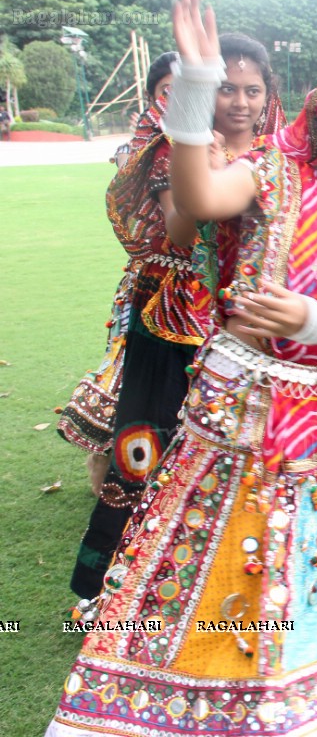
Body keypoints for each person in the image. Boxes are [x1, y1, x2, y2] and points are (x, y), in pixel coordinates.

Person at [48, 0, 317, 736]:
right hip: (235, 419)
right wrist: (193, 84)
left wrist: (315, 320)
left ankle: (289, 700)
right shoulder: (271, 178)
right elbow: (192, 194)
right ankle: (170, 697)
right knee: (206, 560)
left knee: (304, 568)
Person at [66, 36, 286, 601]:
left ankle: (226, 582)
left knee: (243, 450)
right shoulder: (176, 150)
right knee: (144, 445)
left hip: (249, 323)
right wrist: (209, 172)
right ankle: (104, 587)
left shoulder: (279, 155)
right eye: (227, 89)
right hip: (173, 316)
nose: (240, 101)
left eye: (252, 90)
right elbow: (184, 233)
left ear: (268, 94)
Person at [61, 52, 178, 492]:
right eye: (167, 90)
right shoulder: (143, 146)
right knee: (130, 374)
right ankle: (108, 467)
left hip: (195, 286)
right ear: (151, 96)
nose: (176, 99)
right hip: (150, 285)